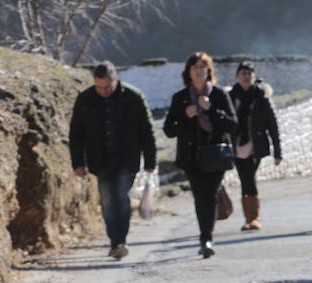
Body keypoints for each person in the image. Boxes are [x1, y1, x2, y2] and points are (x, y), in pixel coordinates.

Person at [68, 61, 157, 260]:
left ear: (116, 80)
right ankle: (114, 241)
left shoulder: (133, 98)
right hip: (100, 160)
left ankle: (120, 241)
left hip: (127, 158)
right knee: (108, 201)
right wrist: (78, 163)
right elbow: (76, 134)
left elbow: (147, 131)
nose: (103, 91)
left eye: (107, 87)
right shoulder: (85, 99)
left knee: (121, 196)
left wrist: (151, 160)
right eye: (99, 87)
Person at [163, 51, 239, 258]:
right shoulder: (180, 98)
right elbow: (169, 130)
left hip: (215, 155)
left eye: (202, 67)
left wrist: (212, 110)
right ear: (188, 72)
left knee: (210, 194)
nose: (199, 71)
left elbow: (232, 126)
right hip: (191, 157)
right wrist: (185, 115)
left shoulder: (219, 95)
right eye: (195, 67)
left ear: (209, 71)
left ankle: (207, 238)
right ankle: (204, 236)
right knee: (200, 197)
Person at [228, 61, 283, 230]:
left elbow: (272, 126)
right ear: (237, 76)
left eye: (249, 74)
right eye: (243, 73)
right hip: (236, 145)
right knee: (246, 179)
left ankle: (253, 218)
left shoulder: (261, 98)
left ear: (254, 76)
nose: (246, 77)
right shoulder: (231, 97)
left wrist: (277, 151)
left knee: (248, 179)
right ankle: (249, 218)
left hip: (255, 145)